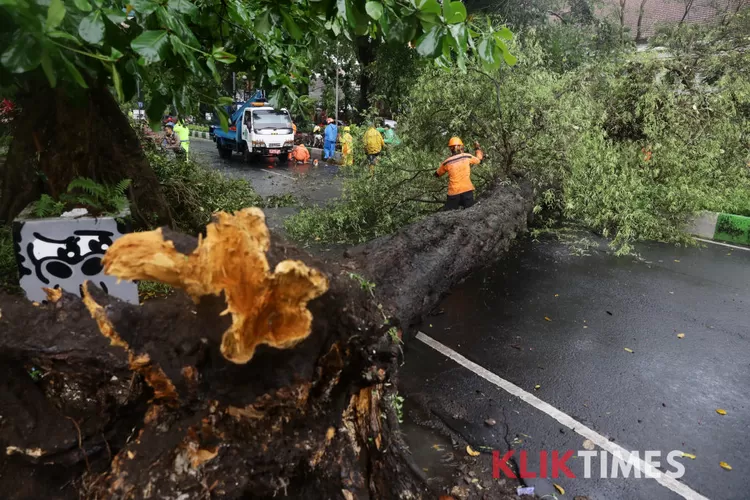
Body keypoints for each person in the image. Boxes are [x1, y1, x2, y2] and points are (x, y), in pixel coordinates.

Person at [435, 137, 483, 211]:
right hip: (467, 190)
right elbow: (479, 160)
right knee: (470, 213)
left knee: (449, 215)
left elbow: (437, 174)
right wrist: (477, 148)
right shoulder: (467, 156)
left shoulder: (446, 162)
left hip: (454, 193)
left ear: (450, 149)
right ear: (461, 147)